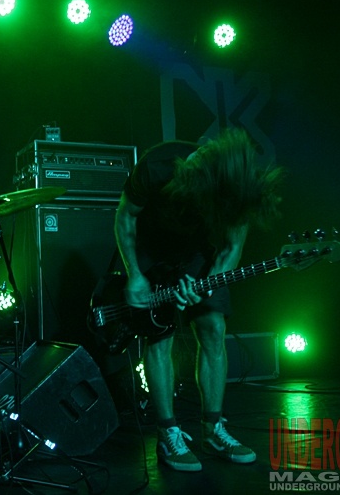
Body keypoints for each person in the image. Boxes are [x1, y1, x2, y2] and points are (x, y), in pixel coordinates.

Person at [114, 129, 284, 472]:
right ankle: (168, 433)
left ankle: (214, 430)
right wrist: (134, 274)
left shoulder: (237, 189)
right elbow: (125, 216)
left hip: (197, 256)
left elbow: (232, 247)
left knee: (213, 328)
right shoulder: (158, 165)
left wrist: (207, 285)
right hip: (151, 252)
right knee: (159, 337)